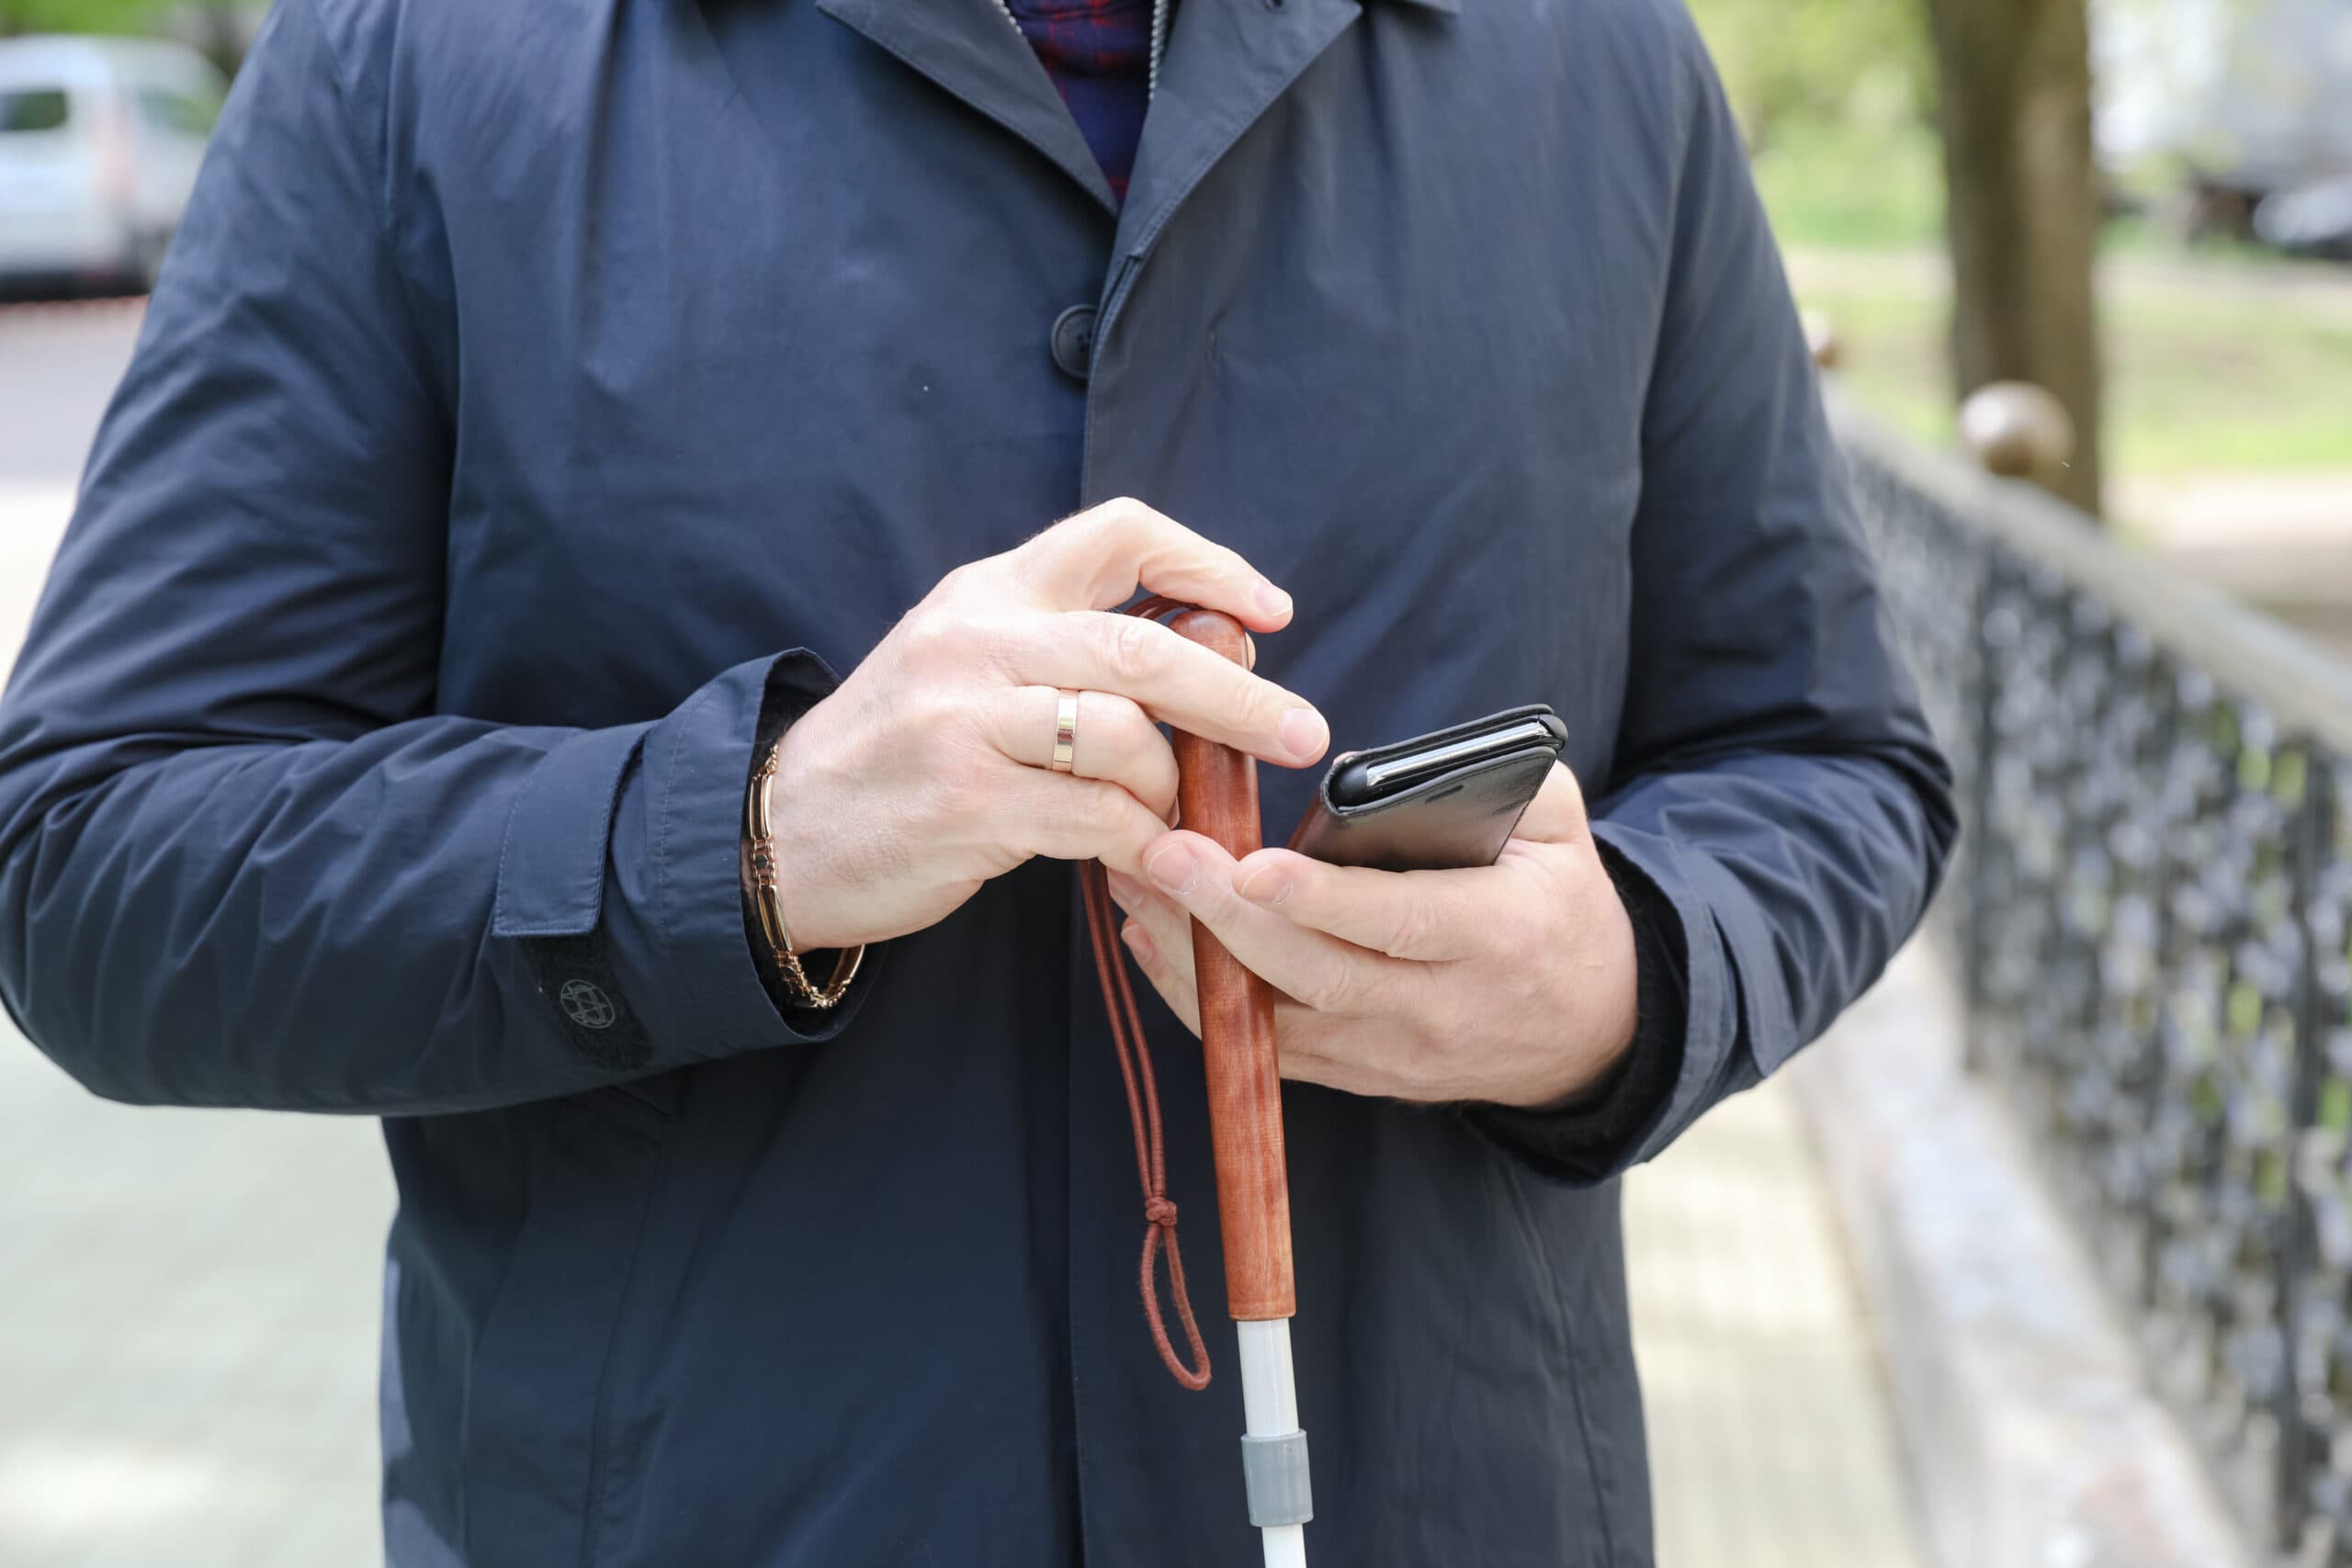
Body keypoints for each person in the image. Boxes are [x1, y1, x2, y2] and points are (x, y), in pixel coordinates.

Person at [0, 0, 1956, 1559]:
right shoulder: (419, 53)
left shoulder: (1599, 57)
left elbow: (1828, 757)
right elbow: (92, 860)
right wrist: (746, 840)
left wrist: (1617, 973)